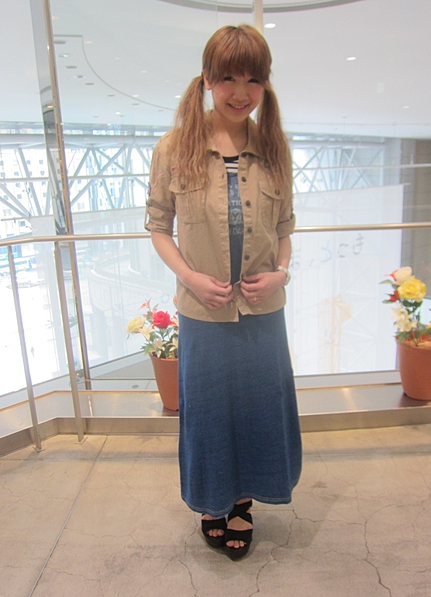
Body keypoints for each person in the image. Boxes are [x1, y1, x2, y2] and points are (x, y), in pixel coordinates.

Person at [145, 24, 302, 560]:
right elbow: (158, 227)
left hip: (263, 312)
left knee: (259, 408)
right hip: (202, 313)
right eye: (229, 78)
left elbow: (285, 228)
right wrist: (190, 278)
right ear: (208, 79)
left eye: (253, 79)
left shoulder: (274, 147)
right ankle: (212, 502)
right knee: (209, 412)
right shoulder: (174, 148)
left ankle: (242, 502)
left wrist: (281, 273)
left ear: (265, 84)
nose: (241, 92)